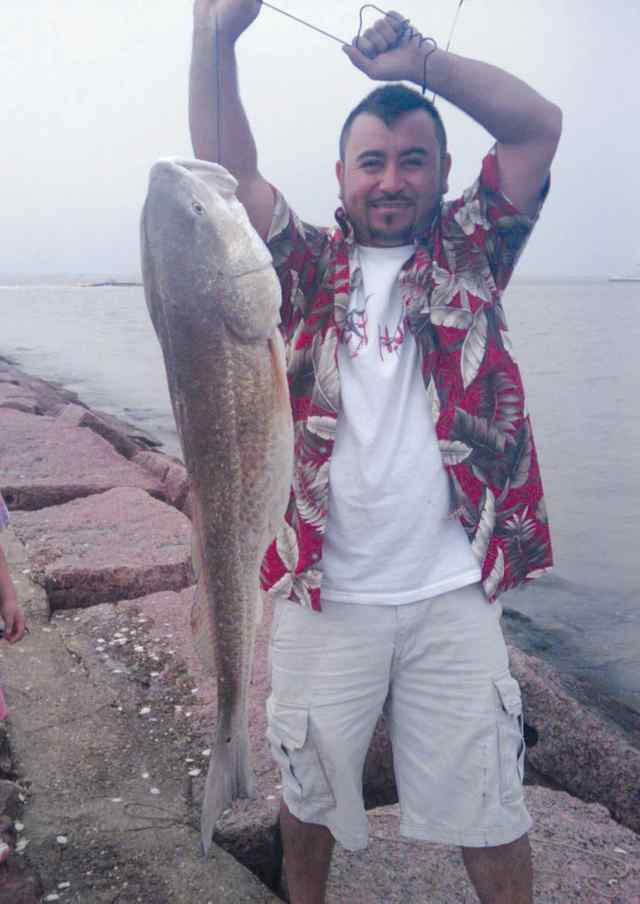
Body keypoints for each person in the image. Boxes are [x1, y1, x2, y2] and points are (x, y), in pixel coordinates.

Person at [189, 3, 561, 902]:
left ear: (439, 174)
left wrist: (423, 61)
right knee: (308, 796)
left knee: (492, 805)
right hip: (325, 590)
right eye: (372, 162)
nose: (390, 180)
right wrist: (215, 37)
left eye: (411, 161)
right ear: (342, 174)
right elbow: (223, 175)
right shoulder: (302, 268)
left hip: (453, 592)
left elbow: (536, 127)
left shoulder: (472, 248)